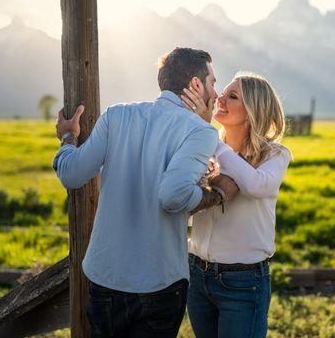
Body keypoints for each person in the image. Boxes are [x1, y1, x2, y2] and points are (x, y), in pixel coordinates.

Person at [53, 47, 239, 338]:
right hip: (159, 282)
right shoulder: (201, 131)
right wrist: (215, 194)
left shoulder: (117, 116)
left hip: (105, 277)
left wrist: (68, 136)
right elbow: (173, 195)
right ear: (195, 84)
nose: (215, 94)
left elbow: (71, 173)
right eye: (212, 83)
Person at [180, 72, 292, 338]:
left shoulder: (274, 154)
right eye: (223, 93)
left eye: (233, 96)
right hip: (197, 274)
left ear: (253, 109)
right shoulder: (207, 148)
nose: (220, 98)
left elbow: (254, 185)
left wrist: (210, 140)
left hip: (243, 282)